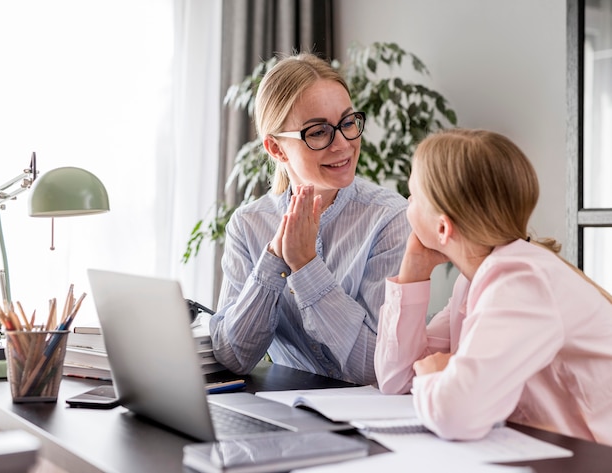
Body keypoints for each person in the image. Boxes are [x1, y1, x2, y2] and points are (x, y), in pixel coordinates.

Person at [374, 128, 612, 446]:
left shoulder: (521, 282)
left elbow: (456, 414)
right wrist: (413, 273)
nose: (407, 201)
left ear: (443, 227)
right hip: (552, 452)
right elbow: (396, 379)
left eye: (413, 195)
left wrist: (434, 376)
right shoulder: (475, 282)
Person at [209, 52, 411, 385]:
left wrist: (305, 266)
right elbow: (234, 357)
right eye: (318, 132)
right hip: (287, 417)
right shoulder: (248, 226)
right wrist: (274, 258)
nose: (343, 144)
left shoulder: (390, 217)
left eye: (348, 123)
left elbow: (376, 367)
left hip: (368, 424)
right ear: (276, 149)